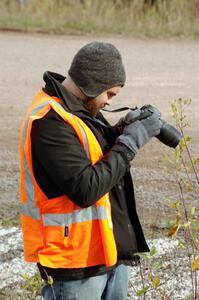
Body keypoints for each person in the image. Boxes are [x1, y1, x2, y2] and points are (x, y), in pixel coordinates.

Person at [19, 41, 162, 300]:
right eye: (109, 94)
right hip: (75, 265)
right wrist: (130, 142)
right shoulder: (49, 121)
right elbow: (85, 189)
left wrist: (118, 131)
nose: (109, 103)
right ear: (91, 84)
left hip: (108, 254)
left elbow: (95, 155)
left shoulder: (81, 111)